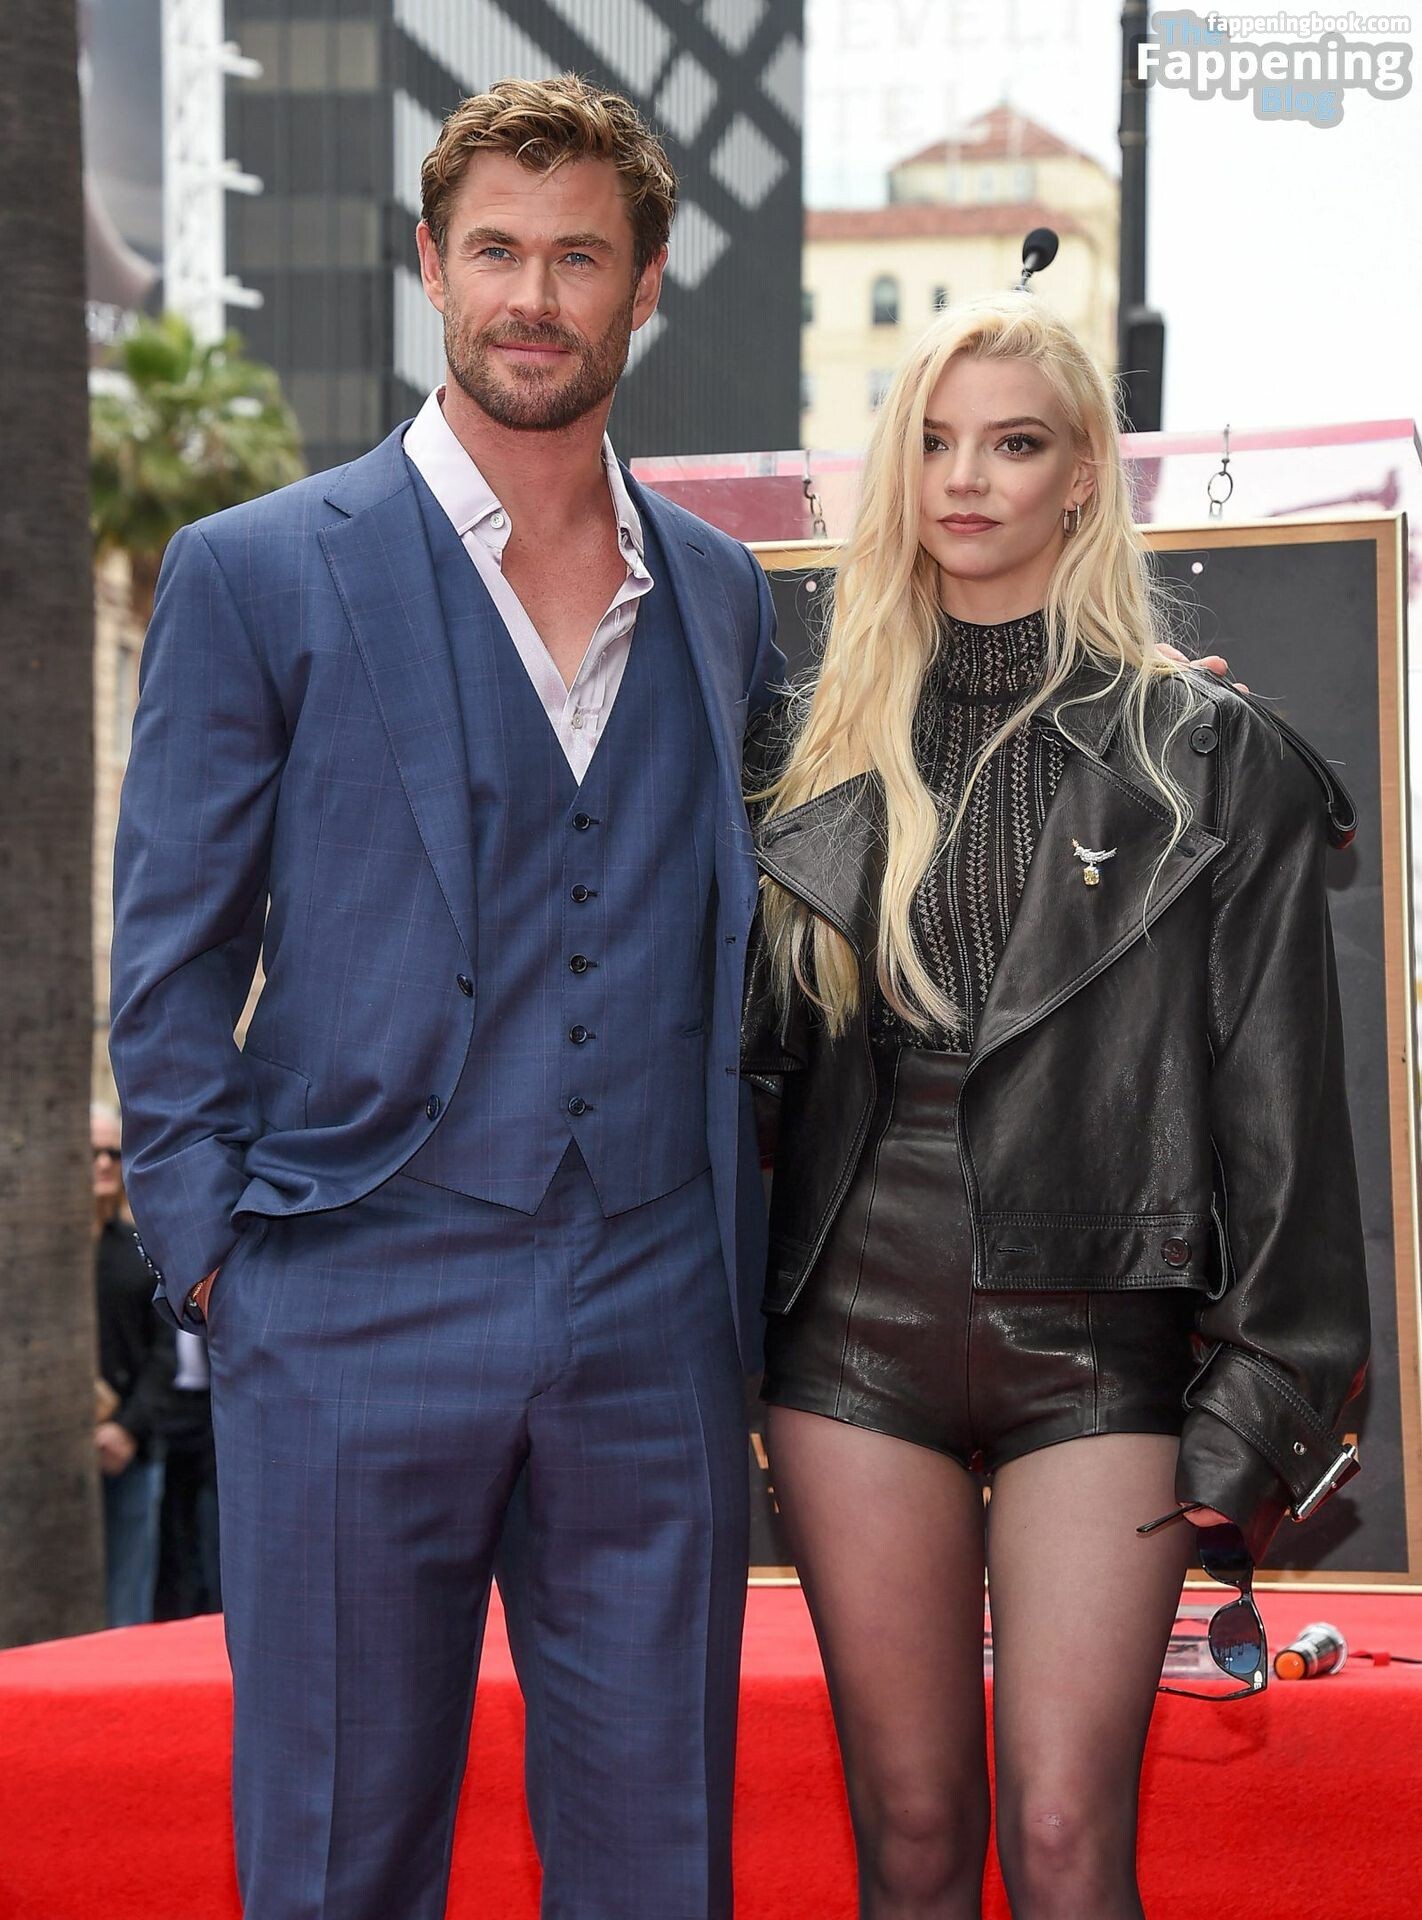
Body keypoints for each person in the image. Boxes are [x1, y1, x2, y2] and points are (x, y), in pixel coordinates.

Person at [110, 76, 781, 1920]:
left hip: (652, 1300)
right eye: (495, 251)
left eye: (578, 257)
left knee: (660, 1864)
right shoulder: (257, 571)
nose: (532, 297)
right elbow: (168, 957)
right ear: (430, 265)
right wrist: (220, 1263)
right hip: (345, 1290)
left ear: (645, 283)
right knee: (337, 1859)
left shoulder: (721, 594)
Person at [741, 291, 1370, 1919]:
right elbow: (748, 1080)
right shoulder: (813, 745)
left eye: (1012, 443)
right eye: (933, 443)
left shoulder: (1205, 753)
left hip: (1098, 1331)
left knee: (1070, 1837)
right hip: (849, 1331)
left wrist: (1263, 1404)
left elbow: (1285, 1117)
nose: (966, 479)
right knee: (911, 1836)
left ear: (1081, 474)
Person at [91, 1102, 175, 1626]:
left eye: (113, 1152)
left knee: (127, 1606)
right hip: (43, 1454)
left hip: (130, 1451)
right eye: (90, 1152)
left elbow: (166, 1353)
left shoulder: (138, 1250)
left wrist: (126, 1429)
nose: (103, 1163)